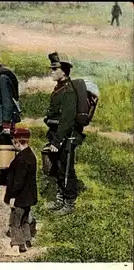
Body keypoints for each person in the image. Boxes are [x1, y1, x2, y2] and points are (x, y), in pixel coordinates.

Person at [44, 52, 85, 215]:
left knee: (66, 169)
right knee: (58, 167)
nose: (52, 72)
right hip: (58, 134)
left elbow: (67, 120)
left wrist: (57, 141)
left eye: (55, 69)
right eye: (52, 68)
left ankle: (69, 203)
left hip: (67, 136)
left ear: (65, 70)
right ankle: (60, 198)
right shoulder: (59, 87)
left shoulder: (68, 91)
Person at [0, 128, 38, 254]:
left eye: (14, 143)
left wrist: (13, 196)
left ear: (17, 142)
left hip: (20, 197)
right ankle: (27, 240)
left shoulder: (20, 160)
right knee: (25, 220)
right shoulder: (31, 155)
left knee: (15, 222)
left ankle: (18, 245)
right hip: (29, 196)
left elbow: (18, 181)